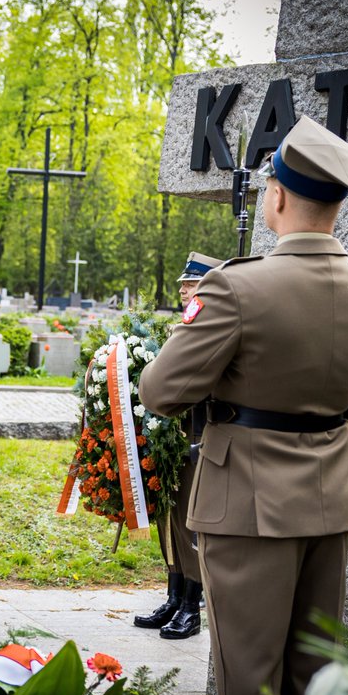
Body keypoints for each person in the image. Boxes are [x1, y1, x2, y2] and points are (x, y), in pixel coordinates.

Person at [139, 116, 348, 695]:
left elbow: (160, 390)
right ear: (336, 204)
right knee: (314, 679)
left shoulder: (236, 286)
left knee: (250, 684)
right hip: (331, 502)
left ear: (276, 196)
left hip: (247, 506)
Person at [133, 251, 222, 640]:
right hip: (174, 436)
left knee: (189, 523)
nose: (184, 290)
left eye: (191, 284)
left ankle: (192, 605)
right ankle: (173, 594)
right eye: (184, 285)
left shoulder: (213, 326)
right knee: (168, 518)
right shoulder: (184, 326)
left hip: (198, 437)